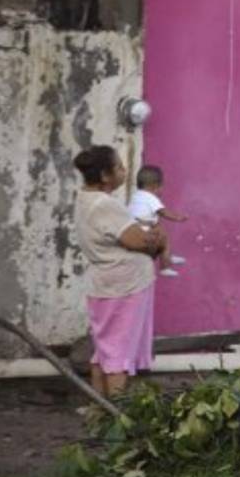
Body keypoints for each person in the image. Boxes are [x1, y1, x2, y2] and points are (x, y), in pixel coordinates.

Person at [73, 146, 165, 397]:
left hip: (106, 284)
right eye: (120, 167)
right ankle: (116, 417)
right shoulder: (105, 205)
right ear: (105, 175)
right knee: (118, 355)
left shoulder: (85, 198)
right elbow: (136, 240)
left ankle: (99, 410)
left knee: (105, 351)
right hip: (124, 286)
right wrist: (156, 239)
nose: (125, 172)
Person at [128, 165, 188, 276]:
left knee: (159, 229)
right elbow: (163, 212)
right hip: (146, 230)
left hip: (133, 231)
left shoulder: (135, 196)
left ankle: (168, 257)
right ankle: (165, 265)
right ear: (155, 186)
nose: (162, 190)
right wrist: (178, 217)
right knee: (164, 238)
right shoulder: (151, 198)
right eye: (161, 186)